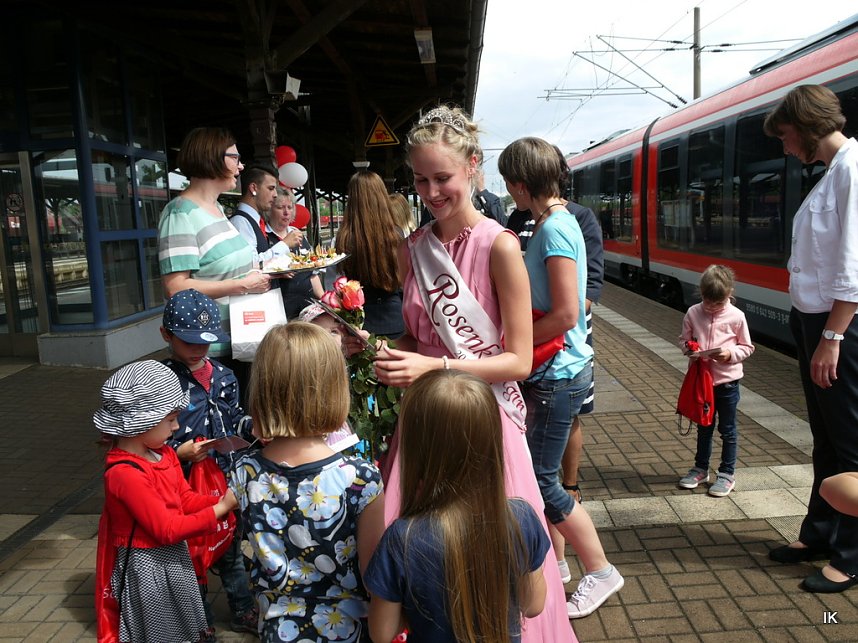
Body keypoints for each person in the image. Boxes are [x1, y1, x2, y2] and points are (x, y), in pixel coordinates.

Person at [373, 106, 574, 641]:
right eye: (421, 180)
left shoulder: (501, 246)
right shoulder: (412, 250)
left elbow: (519, 361)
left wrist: (435, 365)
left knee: (496, 555)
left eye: (442, 177)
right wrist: (376, 350)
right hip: (425, 419)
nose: (431, 192)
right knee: (419, 554)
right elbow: (415, 337)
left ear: (472, 166)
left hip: (486, 419)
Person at [499, 136, 623, 619]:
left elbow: (568, 313)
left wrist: (516, 343)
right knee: (542, 476)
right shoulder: (559, 221)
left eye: (509, 182)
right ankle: (559, 563)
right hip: (556, 372)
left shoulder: (553, 229)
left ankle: (600, 569)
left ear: (520, 183)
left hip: (557, 373)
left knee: (543, 481)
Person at [365, 370, 549, 642]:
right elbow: (533, 604)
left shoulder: (402, 538)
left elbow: (381, 634)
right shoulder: (521, 518)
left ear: (416, 450)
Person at [229, 322, 385, 641]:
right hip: (346, 630)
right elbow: (376, 579)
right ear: (334, 389)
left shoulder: (245, 472)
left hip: (277, 629)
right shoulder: (359, 479)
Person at [763, 84, 858, 593]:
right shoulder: (832, 173)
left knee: (850, 441)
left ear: (804, 126)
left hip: (839, 325)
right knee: (825, 436)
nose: (784, 146)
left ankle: (852, 555)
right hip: (814, 320)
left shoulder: (852, 171)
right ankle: (820, 534)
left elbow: (853, 265)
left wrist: (833, 336)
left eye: (784, 135)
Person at [94, 360, 239, 643]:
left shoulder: (164, 454)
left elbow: (183, 499)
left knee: (185, 630)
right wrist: (219, 509)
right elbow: (166, 529)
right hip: (148, 572)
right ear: (142, 422)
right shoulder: (124, 474)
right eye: (170, 419)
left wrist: (222, 501)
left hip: (173, 560)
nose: (176, 426)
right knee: (165, 634)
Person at [159, 289, 257, 639]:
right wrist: (178, 452)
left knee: (231, 549)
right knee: (193, 556)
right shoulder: (162, 381)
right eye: (189, 341)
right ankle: (199, 623)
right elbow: (152, 437)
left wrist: (255, 429)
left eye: (206, 341)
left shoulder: (225, 374)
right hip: (186, 484)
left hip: (226, 477)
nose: (199, 349)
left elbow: (236, 418)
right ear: (166, 335)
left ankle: (243, 609)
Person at [157, 127, 271, 363]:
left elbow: (222, 267)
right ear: (212, 158)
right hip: (208, 347)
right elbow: (175, 287)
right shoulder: (180, 213)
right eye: (235, 158)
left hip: (238, 337)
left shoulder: (217, 208)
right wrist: (241, 285)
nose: (240, 166)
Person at [677, 265, 754, 497]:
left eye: (718, 303)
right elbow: (683, 339)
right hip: (702, 382)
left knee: (727, 430)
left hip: (727, 383)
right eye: (707, 301)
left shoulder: (737, 316)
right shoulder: (693, 312)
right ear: (701, 293)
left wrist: (729, 354)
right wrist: (689, 349)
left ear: (729, 294)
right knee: (704, 427)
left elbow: (747, 347)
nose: (711, 307)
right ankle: (701, 469)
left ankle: (727, 473)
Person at [335, 170, 405, 338]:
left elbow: (338, 281)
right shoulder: (396, 234)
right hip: (394, 317)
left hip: (359, 321)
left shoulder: (344, 237)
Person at [268, 187, 324, 318]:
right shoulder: (264, 237)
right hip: (281, 310)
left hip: (308, 308)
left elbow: (313, 274)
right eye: (280, 207)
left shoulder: (299, 235)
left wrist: (324, 299)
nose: (286, 212)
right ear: (269, 210)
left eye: (290, 207)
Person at [230, 164, 294, 265]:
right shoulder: (240, 222)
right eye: (271, 188)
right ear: (253, 188)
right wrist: (285, 244)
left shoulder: (255, 221)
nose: (275, 195)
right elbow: (250, 264)